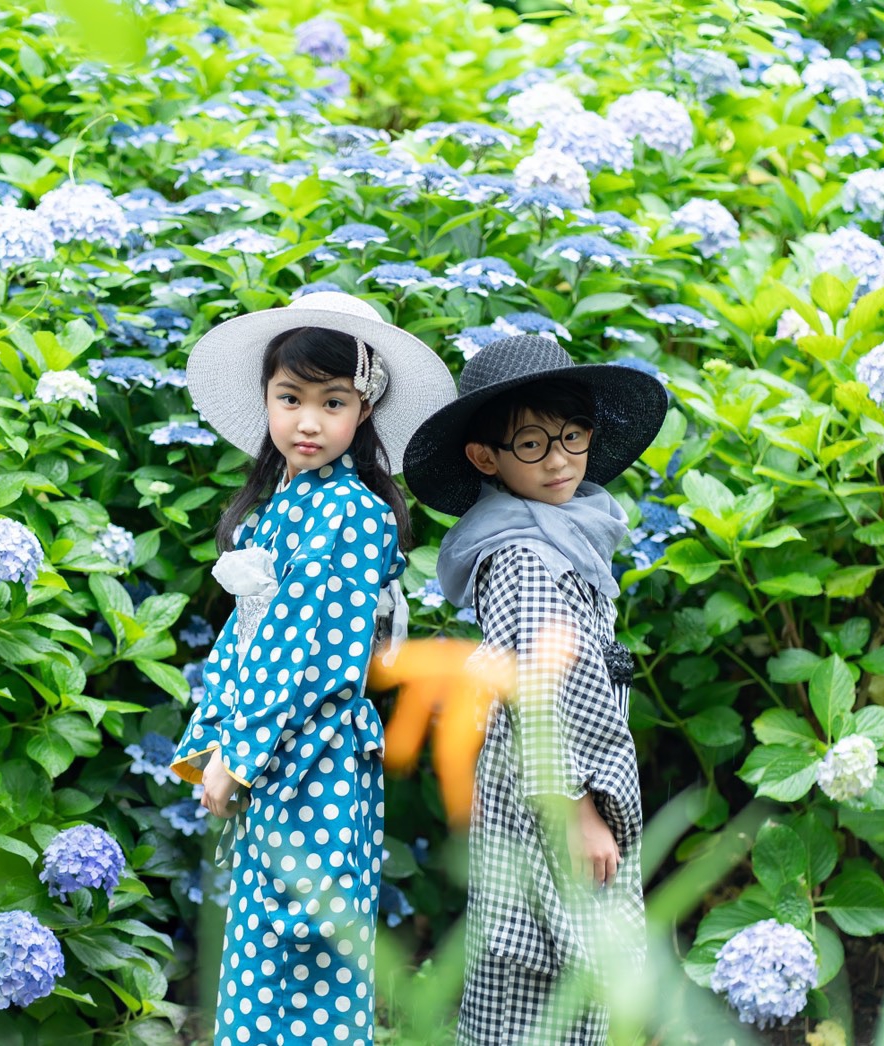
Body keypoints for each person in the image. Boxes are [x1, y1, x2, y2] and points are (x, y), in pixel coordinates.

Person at [170, 291, 455, 1046]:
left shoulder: (353, 511)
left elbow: (302, 654)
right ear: (267, 399)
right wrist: (218, 742)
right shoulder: (283, 505)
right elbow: (245, 644)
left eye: (333, 402)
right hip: (282, 761)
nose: (307, 421)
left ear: (363, 412)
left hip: (313, 759)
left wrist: (238, 754)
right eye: (290, 397)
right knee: (267, 951)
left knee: (307, 952)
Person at [401, 335, 669, 1045]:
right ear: (485, 458)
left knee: (567, 958)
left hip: (571, 779)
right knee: (553, 961)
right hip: (549, 790)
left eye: (572, 436)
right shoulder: (521, 556)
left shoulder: (561, 532)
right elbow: (533, 693)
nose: (558, 459)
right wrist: (577, 809)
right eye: (530, 443)